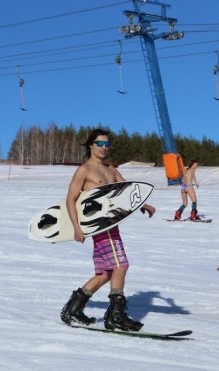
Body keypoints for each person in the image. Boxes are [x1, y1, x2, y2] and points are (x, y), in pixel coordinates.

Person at [60, 128, 156, 331]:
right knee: (121, 265)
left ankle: (73, 309)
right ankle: (115, 316)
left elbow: (128, 190)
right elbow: (70, 199)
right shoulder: (84, 170)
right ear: (91, 145)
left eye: (107, 144)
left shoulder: (111, 170)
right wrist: (77, 228)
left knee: (106, 273)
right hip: (100, 227)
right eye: (100, 144)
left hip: (112, 225)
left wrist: (144, 205)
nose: (104, 148)